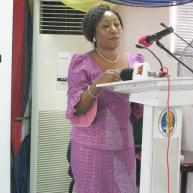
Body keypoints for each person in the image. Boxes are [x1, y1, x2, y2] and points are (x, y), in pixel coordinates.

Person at [66, 5, 144, 193]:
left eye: (117, 24)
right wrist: (97, 84)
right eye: (105, 26)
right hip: (90, 148)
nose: (114, 30)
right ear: (93, 33)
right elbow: (77, 109)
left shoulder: (135, 61)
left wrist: (152, 81)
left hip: (124, 145)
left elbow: (137, 107)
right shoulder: (81, 63)